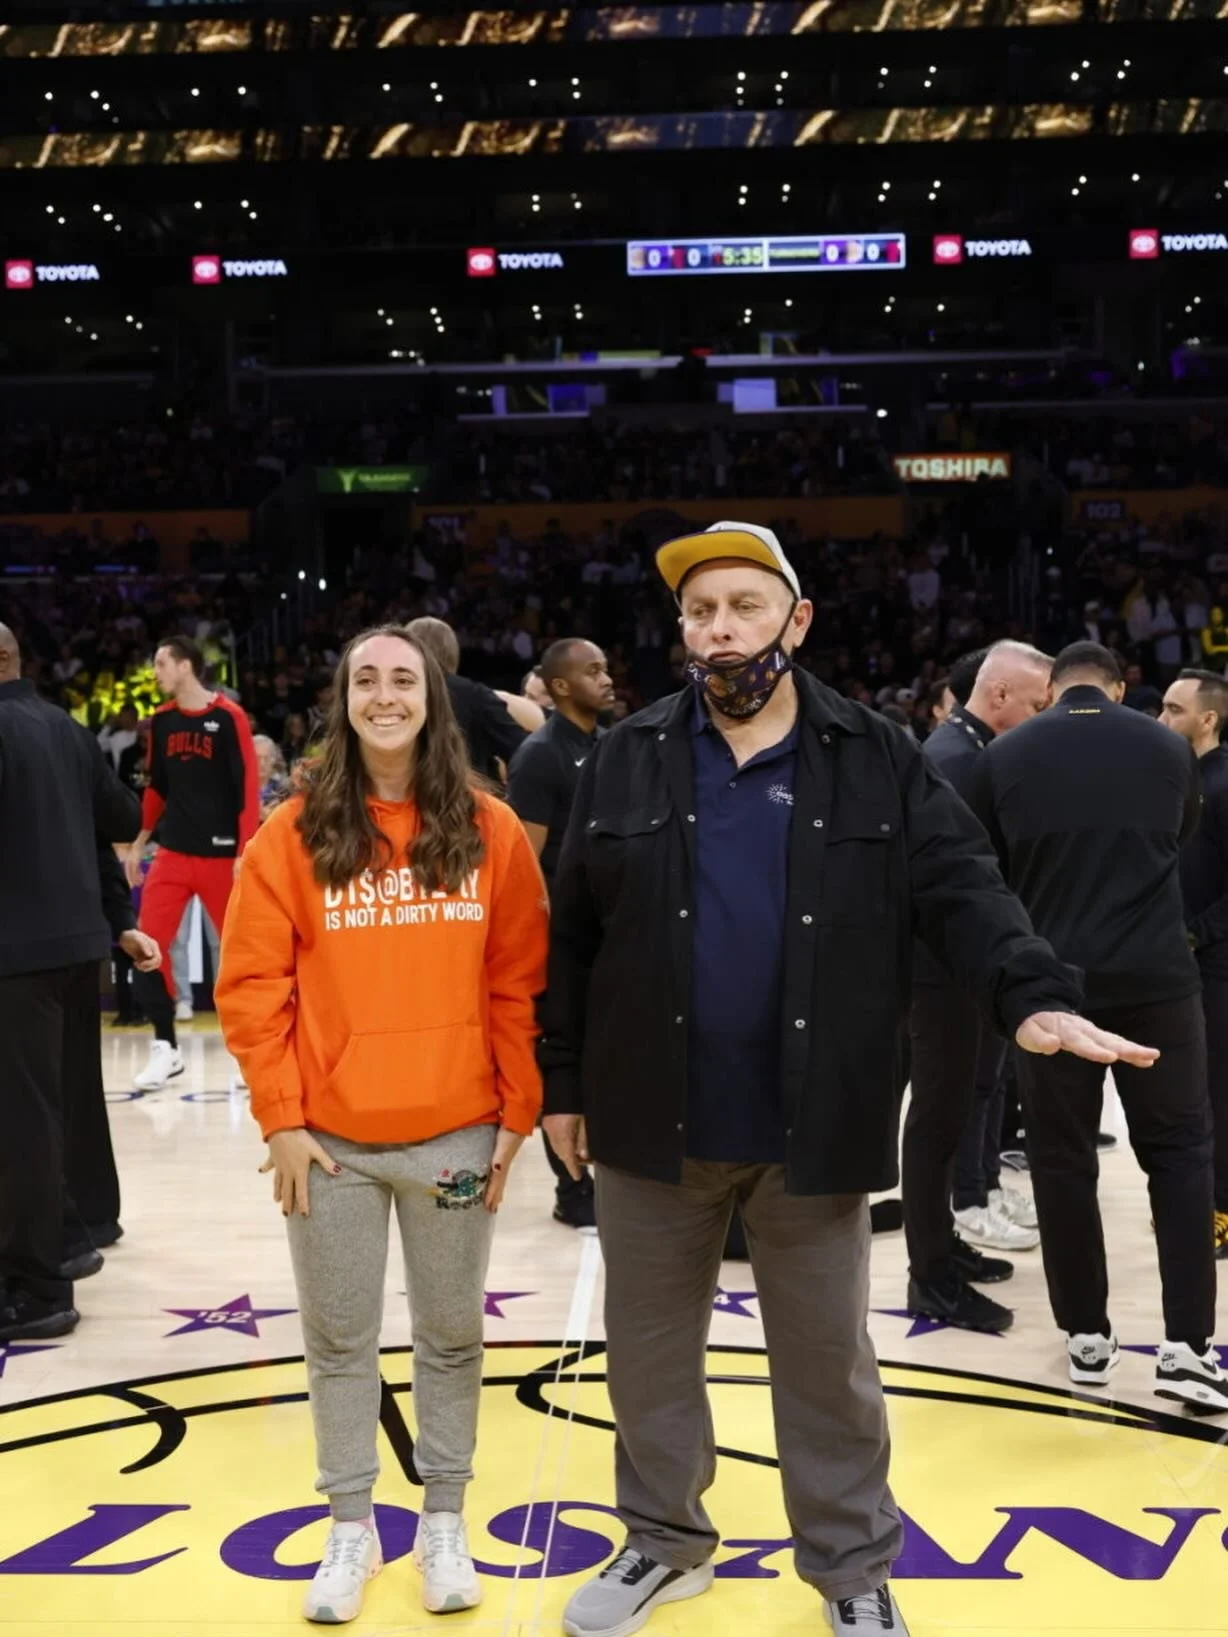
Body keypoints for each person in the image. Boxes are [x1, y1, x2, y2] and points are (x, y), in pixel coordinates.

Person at [539, 524, 1158, 1637]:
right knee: (647, 1358)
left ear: (796, 617)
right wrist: (562, 1083)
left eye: (741, 604)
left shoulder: (873, 752)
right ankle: (663, 1541)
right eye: (699, 611)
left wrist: (1033, 991)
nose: (719, 627)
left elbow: (964, 886)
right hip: (647, 1111)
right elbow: (571, 935)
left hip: (811, 1118)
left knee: (827, 1367)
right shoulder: (625, 752)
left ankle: (848, 1563)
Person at [216, 625, 548, 1624]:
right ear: (344, 699)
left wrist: (515, 1111)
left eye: (404, 678)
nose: (385, 694)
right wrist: (280, 1119)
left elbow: (517, 983)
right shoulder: (292, 832)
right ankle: (350, 1524)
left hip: (454, 1132)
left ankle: (441, 1516)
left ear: (432, 697)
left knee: (450, 1337)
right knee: (338, 1338)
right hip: (333, 1144)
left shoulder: (491, 830)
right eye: (366, 678)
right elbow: (250, 987)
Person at [972, 642, 1227, 1411]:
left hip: (1054, 984)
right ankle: (1187, 1347)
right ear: (1120, 687)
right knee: (1181, 1157)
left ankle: (1086, 1337)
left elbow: (991, 863)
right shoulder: (1168, 745)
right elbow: (1177, 842)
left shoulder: (1007, 751)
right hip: (1158, 978)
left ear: (1050, 688)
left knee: (1060, 1160)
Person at [902, 642, 1052, 1338]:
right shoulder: (960, 760)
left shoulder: (961, 750)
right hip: (941, 969)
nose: (1042, 716)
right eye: (1036, 703)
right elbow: (950, 881)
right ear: (998, 698)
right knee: (936, 1116)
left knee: (951, 1110)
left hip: (951, 966)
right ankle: (930, 1274)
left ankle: (941, 1247)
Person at [0, 621, 141, 1341]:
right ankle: (81, 1225)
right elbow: (122, 813)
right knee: (69, 1098)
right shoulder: (64, 727)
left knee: (20, 1117)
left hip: (15, 953)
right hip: (79, 944)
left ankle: (40, 1285)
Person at [508, 638, 615, 1230]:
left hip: (607, 929)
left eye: (605, 668)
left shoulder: (609, 744)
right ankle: (571, 1190)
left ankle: (608, 1169)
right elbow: (525, 865)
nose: (607, 678)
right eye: (592, 671)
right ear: (561, 686)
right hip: (559, 937)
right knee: (563, 1057)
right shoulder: (540, 755)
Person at [124, 636, 259, 1091]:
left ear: (185, 666)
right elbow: (157, 788)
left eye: (161, 663)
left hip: (223, 856)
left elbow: (247, 788)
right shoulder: (160, 722)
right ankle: (166, 1047)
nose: (156, 671)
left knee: (244, 958)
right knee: (145, 947)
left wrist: (246, 850)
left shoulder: (229, 716)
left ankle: (253, 1053)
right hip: (174, 852)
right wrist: (138, 840)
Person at [62, 842, 162, 1276]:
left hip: (52, 940)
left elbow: (115, 819)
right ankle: (87, 1219)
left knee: (55, 1095)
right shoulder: (83, 774)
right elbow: (112, 820)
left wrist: (121, 920)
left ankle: (71, 1227)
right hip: (72, 937)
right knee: (74, 1089)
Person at [1159, 667, 1228, 1258]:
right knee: (1196, 1091)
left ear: (1208, 719)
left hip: (1218, 962)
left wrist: (1195, 936)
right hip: (1191, 961)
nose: (1162, 720)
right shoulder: (1180, 778)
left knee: (1219, 1091)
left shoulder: (1225, 781)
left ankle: (1222, 1213)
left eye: (1174, 711)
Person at [406, 617, 536, 782]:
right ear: (452, 651)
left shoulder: (390, 695)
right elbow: (525, 751)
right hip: (467, 798)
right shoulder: (475, 696)